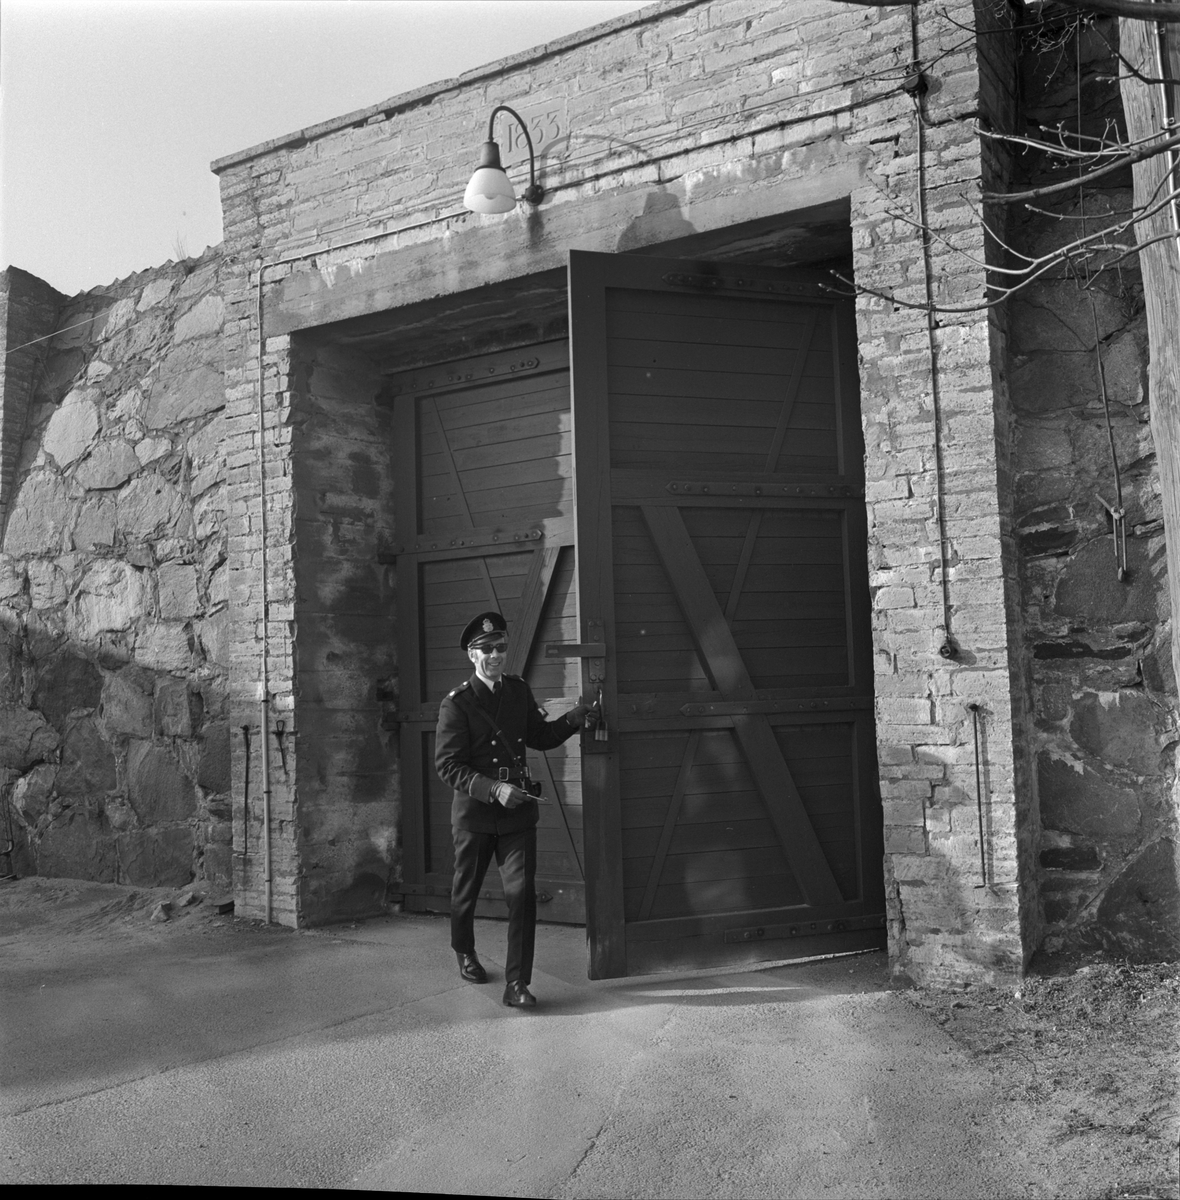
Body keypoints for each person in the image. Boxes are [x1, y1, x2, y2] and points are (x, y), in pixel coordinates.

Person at [435, 611, 597, 1009]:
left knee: (522, 896)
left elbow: (539, 736)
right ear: (472, 655)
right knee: (466, 891)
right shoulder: (457, 704)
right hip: (475, 815)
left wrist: (572, 720)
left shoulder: (518, 690)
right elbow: (448, 766)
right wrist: (493, 789)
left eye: (501, 648)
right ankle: (465, 951)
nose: (495, 655)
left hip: (517, 814)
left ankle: (517, 983)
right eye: (487, 649)